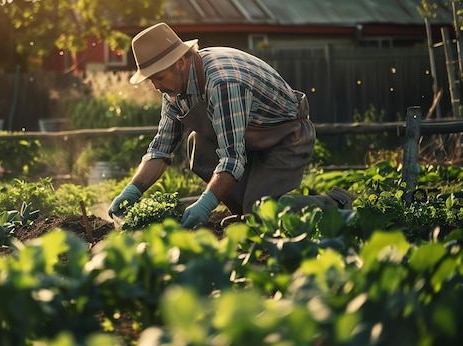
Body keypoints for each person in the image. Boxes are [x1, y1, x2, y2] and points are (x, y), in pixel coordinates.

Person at [108, 22, 353, 228]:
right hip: (246, 140)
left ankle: (333, 204)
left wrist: (206, 204)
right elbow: (161, 149)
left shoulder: (223, 82)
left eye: (158, 77)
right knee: (197, 145)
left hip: (285, 139)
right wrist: (132, 191)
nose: (156, 86)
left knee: (262, 212)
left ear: (180, 63)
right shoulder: (175, 90)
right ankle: (248, 216)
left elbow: (232, 160)